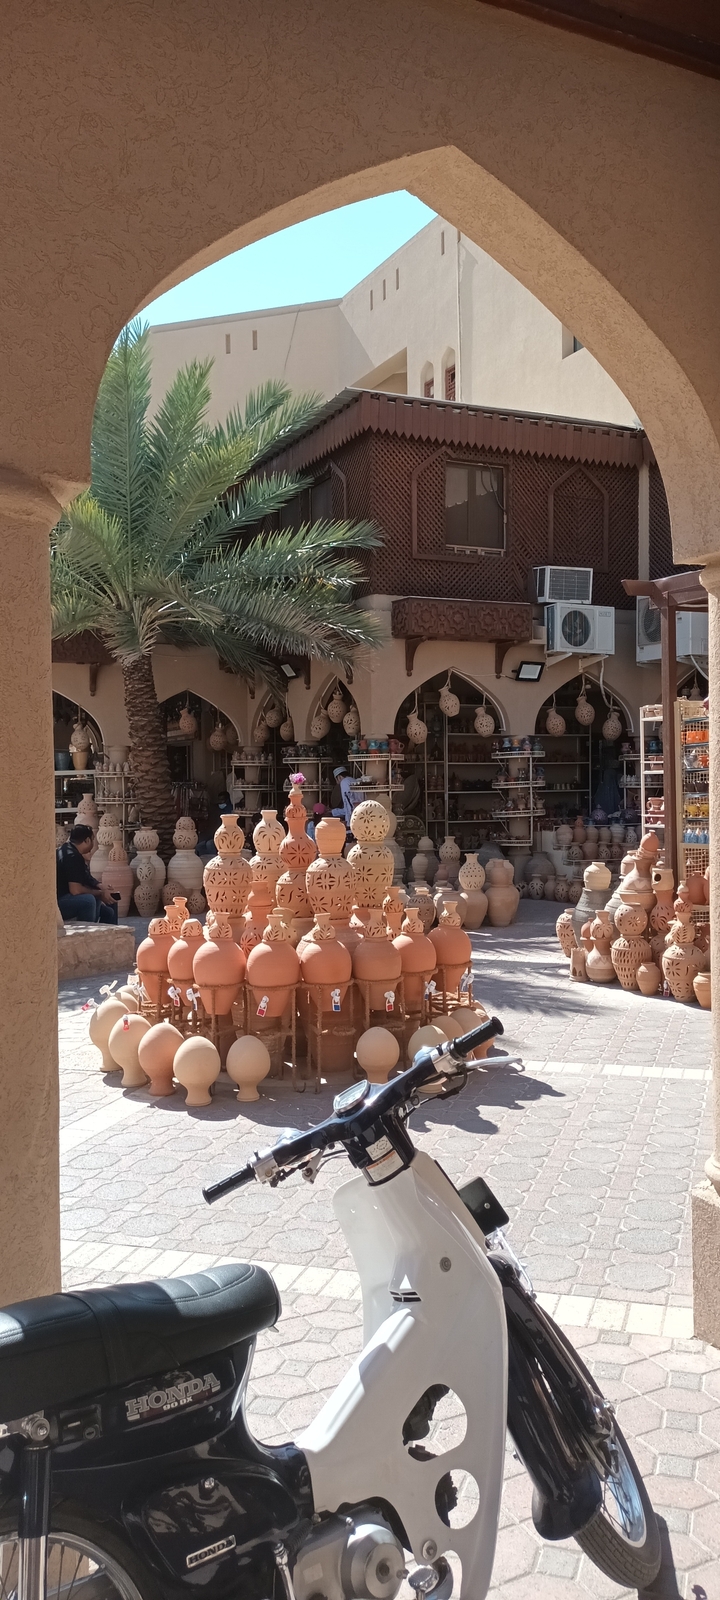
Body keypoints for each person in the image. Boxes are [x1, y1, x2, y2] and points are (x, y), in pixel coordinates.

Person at [57, 825, 119, 923]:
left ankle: (112, 936)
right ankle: (87, 935)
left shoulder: (69, 850)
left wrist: (101, 887)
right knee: (89, 900)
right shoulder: (71, 856)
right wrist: (100, 893)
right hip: (59, 902)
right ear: (87, 840)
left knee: (109, 908)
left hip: (67, 898)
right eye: (93, 840)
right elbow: (75, 890)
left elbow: (85, 877)